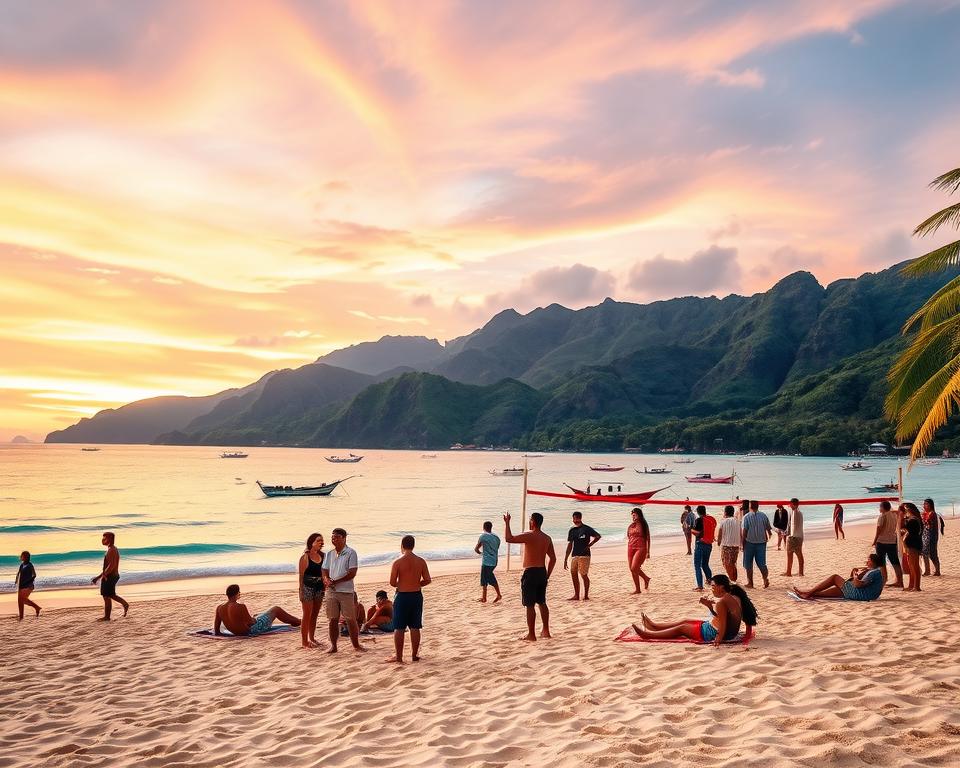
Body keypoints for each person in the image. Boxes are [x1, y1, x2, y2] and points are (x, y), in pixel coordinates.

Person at [630, 574, 757, 646]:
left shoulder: (722, 602)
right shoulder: (735, 596)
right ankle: (654, 626)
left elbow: (723, 625)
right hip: (723, 630)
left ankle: (649, 634)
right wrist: (709, 607)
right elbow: (724, 617)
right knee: (685, 620)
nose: (711, 589)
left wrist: (718, 640)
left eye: (713, 587)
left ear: (721, 587)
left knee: (682, 628)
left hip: (711, 633)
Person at [504, 511, 556, 641]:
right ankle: (546, 631)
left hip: (531, 572)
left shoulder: (529, 535)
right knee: (542, 602)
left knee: (530, 605)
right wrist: (547, 575)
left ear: (532, 521)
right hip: (542, 572)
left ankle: (531, 634)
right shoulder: (547, 538)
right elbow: (553, 559)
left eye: (530, 520)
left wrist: (507, 522)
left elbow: (508, 538)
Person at [387, 535, 431, 663]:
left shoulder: (397, 562)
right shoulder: (421, 561)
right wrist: (417, 584)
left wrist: (401, 584)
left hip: (402, 596)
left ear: (402, 545)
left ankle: (399, 657)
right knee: (415, 626)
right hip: (416, 595)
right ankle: (414, 655)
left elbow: (392, 582)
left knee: (399, 627)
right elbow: (427, 580)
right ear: (413, 545)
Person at [322, 527, 364, 653]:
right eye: (332, 537)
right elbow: (324, 569)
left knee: (350, 618)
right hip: (331, 591)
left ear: (344, 538)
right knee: (332, 619)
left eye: (337, 537)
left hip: (345, 591)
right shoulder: (329, 554)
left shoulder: (351, 553)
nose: (334, 539)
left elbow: (352, 573)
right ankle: (333, 646)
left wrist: (336, 581)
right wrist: (326, 579)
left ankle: (356, 645)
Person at [214, 584, 301, 636]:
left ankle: (296, 621)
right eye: (239, 593)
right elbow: (251, 622)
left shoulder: (219, 608)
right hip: (250, 632)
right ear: (237, 594)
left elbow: (216, 629)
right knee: (276, 609)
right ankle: (298, 621)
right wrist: (255, 619)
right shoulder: (240, 606)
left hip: (236, 633)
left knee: (259, 615)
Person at [793, 554, 884, 601]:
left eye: (868, 560)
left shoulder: (874, 573)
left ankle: (808, 592)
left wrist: (855, 575)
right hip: (861, 593)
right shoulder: (873, 571)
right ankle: (809, 593)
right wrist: (856, 573)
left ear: (873, 562)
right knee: (833, 591)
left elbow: (857, 584)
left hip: (860, 594)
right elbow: (853, 579)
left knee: (834, 577)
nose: (866, 562)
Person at [91, 531, 129, 620]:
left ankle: (107, 617)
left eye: (105, 538)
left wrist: (104, 576)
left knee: (106, 596)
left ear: (110, 539)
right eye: (103, 538)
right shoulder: (112, 549)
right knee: (110, 595)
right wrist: (98, 577)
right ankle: (124, 604)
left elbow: (111, 566)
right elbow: (108, 567)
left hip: (110, 576)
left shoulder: (112, 550)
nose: (102, 540)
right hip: (111, 575)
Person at [564, 511, 601, 600]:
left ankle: (586, 595)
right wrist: (565, 559)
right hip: (574, 555)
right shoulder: (572, 530)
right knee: (573, 574)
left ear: (580, 518)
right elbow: (570, 544)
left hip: (585, 555)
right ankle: (576, 595)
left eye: (576, 518)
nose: (575, 520)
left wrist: (590, 545)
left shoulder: (586, 529)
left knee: (583, 575)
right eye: (574, 518)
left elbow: (598, 536)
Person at [298, 532, 325, 649]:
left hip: (319, 588)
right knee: (307, 615)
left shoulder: (323, 556)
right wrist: (301, 591)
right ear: (312, 542)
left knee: (315, 615)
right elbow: (301, 576)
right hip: (307, 588)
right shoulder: (305, 557)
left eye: (322, 541)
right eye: (318, 540)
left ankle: (312, 638)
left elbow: (325, 572)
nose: (321, 543)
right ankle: (304, 642)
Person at [872, 500, 904, 587]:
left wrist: (874, 541)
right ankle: (900, 581)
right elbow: (898, 512)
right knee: (895, 561)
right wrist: (892, 510)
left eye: (880, 507)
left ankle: (884, 580)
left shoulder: (882, 516)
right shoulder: (894, 515)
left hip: (882, 541)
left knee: (881, 562)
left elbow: (879, 530)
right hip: (892, 541)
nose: (879, 508)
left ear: (883, 508)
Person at [741, 500, 772, 589]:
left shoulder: (746, 517)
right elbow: (769, 529)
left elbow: (744, 532)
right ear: (758, 506)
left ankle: (750, 583)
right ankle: (765, 579)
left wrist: (743, 544)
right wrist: (767, 537)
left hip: (749, 543)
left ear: (750, 506)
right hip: (761, 543)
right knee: (762, 564)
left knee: (748, 564)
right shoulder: (763, 516)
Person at [475, 521, 502, 603]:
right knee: (487, 577)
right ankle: (485, 597)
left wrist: (481, 553)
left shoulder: (483, 536)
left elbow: (476, 549)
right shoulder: (497, 537)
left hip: (487, 562)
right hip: (494, 561)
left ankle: (497, 595)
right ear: (491, 527)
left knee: (487, 579)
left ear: (483, 527)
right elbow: (496, 548)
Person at [690, 505, 716, 592]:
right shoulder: (711, 519)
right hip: (709, 544)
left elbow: (697, 533)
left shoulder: (699, 520)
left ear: (698, 512)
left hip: (700, 544)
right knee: (705, 564)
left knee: (697, 566)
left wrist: (690, 529)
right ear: (705, 511)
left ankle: (700, 586)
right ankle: (709, 580)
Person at [626, 507, 651, 594]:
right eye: (632, 516)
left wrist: (648, 551)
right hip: (630, 548)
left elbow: (648, 538)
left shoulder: (643, 525)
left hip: (640, 548)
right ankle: (638, 588)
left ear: (639, 515)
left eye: (634, 515)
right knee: (632, 569)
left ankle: (645, 579)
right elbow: (628, 536)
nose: (633, 517)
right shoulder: (631, 525)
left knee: (634, 567)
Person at [900, 502, 923, 592]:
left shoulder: (913, 520)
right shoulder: (913, 519)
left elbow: (903, 526)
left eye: (905, 509)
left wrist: (902, 516)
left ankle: (916, 586)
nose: (905, 510)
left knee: (915, 565)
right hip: (911, 543)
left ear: (909, 509)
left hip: (914, 544)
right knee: (911, 565)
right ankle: (912, 585)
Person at [716, 505, 740, 582]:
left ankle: (732, 580)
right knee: (733, 563)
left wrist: (718, 542)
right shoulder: (738, 521)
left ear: (725, 512)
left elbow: (720, 533)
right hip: (736, 546)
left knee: (727, 564)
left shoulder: (723, 521)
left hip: (726, 546)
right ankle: (734, 579)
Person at [782, 498, 804, 577]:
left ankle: (789, 572)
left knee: (791, 554)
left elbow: (793, 525)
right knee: (798, 555)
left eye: (790, 504)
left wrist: (790, 536)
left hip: (794, 537)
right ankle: (799, 572)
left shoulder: (795, 512)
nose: (789, 505)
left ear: (793, 504)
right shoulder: (799, 512)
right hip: (799, 536)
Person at [921, 498, 943, 577]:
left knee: (932, 553)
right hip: (925, 535)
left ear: (930, 505)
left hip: (931, 535)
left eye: (926, 504)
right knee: (925, 553)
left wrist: (924, 519)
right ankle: (927, 570)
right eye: (924, 504)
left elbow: (928, 524)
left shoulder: (932, 513)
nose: (924, 506)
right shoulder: (925, 513)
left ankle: (937, 570)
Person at [16, 551, 40, 620]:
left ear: (26, 557)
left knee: (23, 599)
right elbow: (19, 573)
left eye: (22, 556)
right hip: (21, 585)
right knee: (20, 601)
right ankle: (21, 616)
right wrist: (16, 579)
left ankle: (37, 607)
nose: (20, 557)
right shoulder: (22, 565)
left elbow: (34, 575)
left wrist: (28, 582)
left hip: (28, 586)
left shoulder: (30, 565)